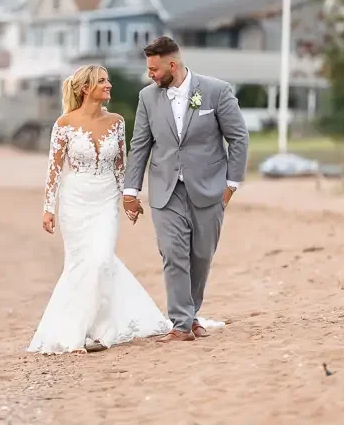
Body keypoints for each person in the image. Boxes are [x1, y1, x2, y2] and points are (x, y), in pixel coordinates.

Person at [27, 65, 172, 354]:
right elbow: (54, 169)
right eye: (102, 81)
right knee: (81, 264)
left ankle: (99, 329)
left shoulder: (117, 122)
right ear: (85, 88)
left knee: (102, 260)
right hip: (75, 200)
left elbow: (122, 165)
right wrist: (48, 208)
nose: (109, 85)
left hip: (106, 198)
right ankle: (82, 334)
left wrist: (128, 198)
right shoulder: (64, 124)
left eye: (108, 80)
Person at [122, 36, 248, 343]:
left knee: (200, 256)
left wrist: (231, 185)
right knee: (173, 253)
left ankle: (190, 317)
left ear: (172, 65)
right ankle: (180, 323)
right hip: (165, 190)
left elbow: (239, 138)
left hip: (209, 190)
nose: (149, 74)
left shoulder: (217, 91)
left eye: (154, 68)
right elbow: (140, 145)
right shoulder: (147, 98)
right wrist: (130, 190)